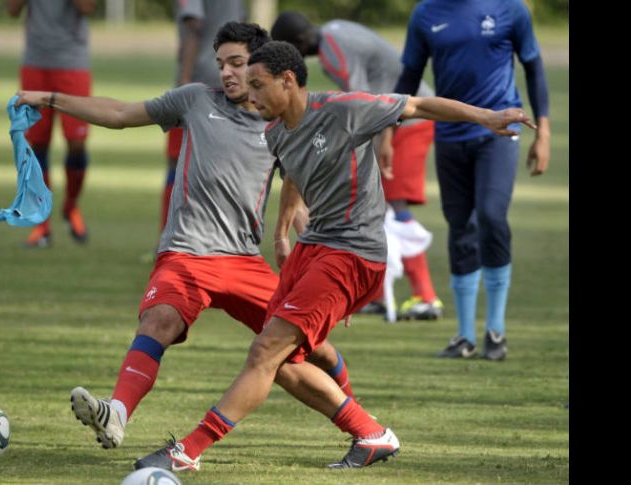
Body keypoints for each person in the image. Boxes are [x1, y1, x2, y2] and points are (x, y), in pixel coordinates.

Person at [133, 41, 535, 472]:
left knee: (265, 350)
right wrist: (284, 230)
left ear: (288, 81)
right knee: (283, 361)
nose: (249, 96)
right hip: (315, 247)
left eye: (258, 85)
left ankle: (187, 451)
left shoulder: (345, 109)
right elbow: (294, 176)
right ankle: (369, 432)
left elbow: (419, 105)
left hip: (354, 251)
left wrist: (488, 117)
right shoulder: (275, 131)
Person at [14, 22, 356, 450]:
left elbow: (301, 201)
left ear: (261, 66)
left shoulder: (280, 125)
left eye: (237, 63)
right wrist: (48, 99)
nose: (227, 73)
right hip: (186, 252)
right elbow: (120, 115)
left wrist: (319, 263)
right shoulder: (196, 100)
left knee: (312, 344)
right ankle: (115, 414)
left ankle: (359, 414)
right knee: (158, 321)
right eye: (221, 64)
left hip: (243, 260)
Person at [393, 0, 551, 360]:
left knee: (492, 217)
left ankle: (495, 332)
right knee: (460, 227)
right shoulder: (425, 14)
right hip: (449, 139)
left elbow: (534, 68)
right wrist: (387, 131)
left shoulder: (512, 9)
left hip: (499, 135)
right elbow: (408, 78)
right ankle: (464, 336)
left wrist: (543, 134)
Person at [270, 11, 443, 321]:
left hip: (407, 121)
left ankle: (426, 296)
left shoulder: (333, 51)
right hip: (397, 118)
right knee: (380, 202)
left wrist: (383, 142)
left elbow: (359, 103)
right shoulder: (336, 30)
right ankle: (375, 293)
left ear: (298, 44)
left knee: (394, 203)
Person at [6, 0, 97, 248]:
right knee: (37, 146)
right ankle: (41, 225)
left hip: (72, 61)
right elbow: (12, 10)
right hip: (36, 61)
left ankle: (71, 206)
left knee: (77, 144)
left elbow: (87, 6)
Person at [160, 0, 246, 232]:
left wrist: (184, 81)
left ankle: (168, 237)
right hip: (230, 81)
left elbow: (193, 25)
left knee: (177, 161)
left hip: (199, 82)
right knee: (224, 163)